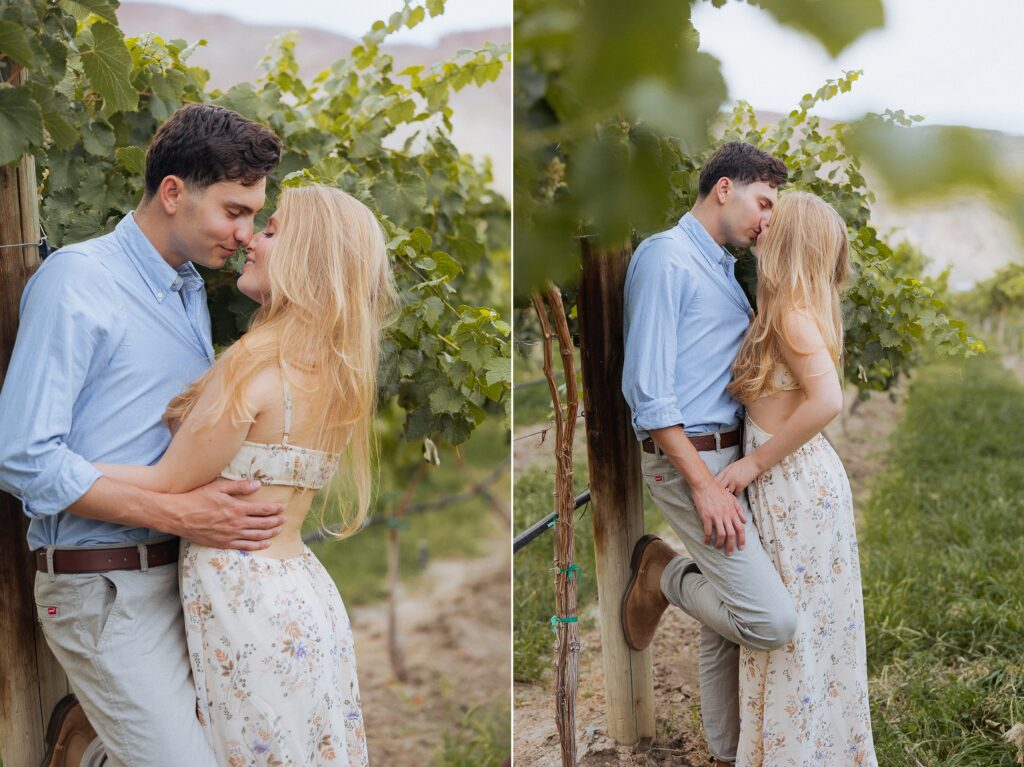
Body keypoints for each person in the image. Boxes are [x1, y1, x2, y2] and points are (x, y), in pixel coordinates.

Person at [0, 103, 284, 767]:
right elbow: (21, 454)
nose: (245, 233)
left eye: (253, 215)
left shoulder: (186, 288)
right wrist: (178, 510)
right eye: (234, 210)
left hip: (181, 581)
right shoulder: (79, 279)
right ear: (173, 192)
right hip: (103, 591)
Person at [96, 182, 397, 766]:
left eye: (273, 230)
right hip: (302, 598)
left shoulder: (254, 364)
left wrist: (50, 462)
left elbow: (162, 484)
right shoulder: (339, 376)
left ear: (307, 259)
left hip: (244, 606)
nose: (252, 240)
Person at [620, 141, 798, 767]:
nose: (767, 218)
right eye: (763, 201)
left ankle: (724, 753)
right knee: (769, 621)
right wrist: (701, 484)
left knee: (726, 618)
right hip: (687, 460)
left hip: (727, 458)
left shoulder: (721, 267)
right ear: (724, 187)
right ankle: (662, 574)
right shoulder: (665, 259)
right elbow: (648, 392)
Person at [717, 192, 877, 766]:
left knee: (793, 633)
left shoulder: (788, 314)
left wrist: (753, 463)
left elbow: (827, 399)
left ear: (789, 242)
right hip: (801, 483)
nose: (762, 224)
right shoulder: (791, 307)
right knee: (808, 630)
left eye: (774, 222)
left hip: (793, 486)